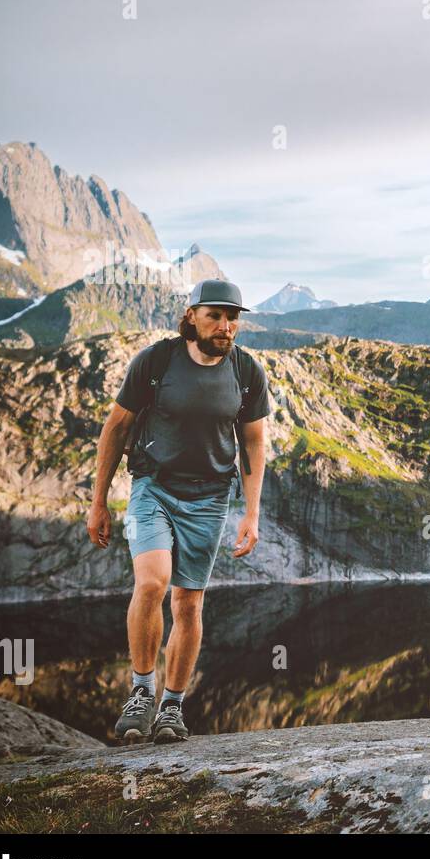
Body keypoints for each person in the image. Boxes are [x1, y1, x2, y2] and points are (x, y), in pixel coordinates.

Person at [86, 279, 271, 743]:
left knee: (188, 603)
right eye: (215, 316)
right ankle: (141, 690)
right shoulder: (156, 362)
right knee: (152, 582)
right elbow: (115, 429)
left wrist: (251, 513)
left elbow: (252, 441)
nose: (226, 326)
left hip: (210, 499)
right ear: (191, 315)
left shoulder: (246, 372)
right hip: (154, 486)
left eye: (233, 318)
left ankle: (172, 706)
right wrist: (99, 502)